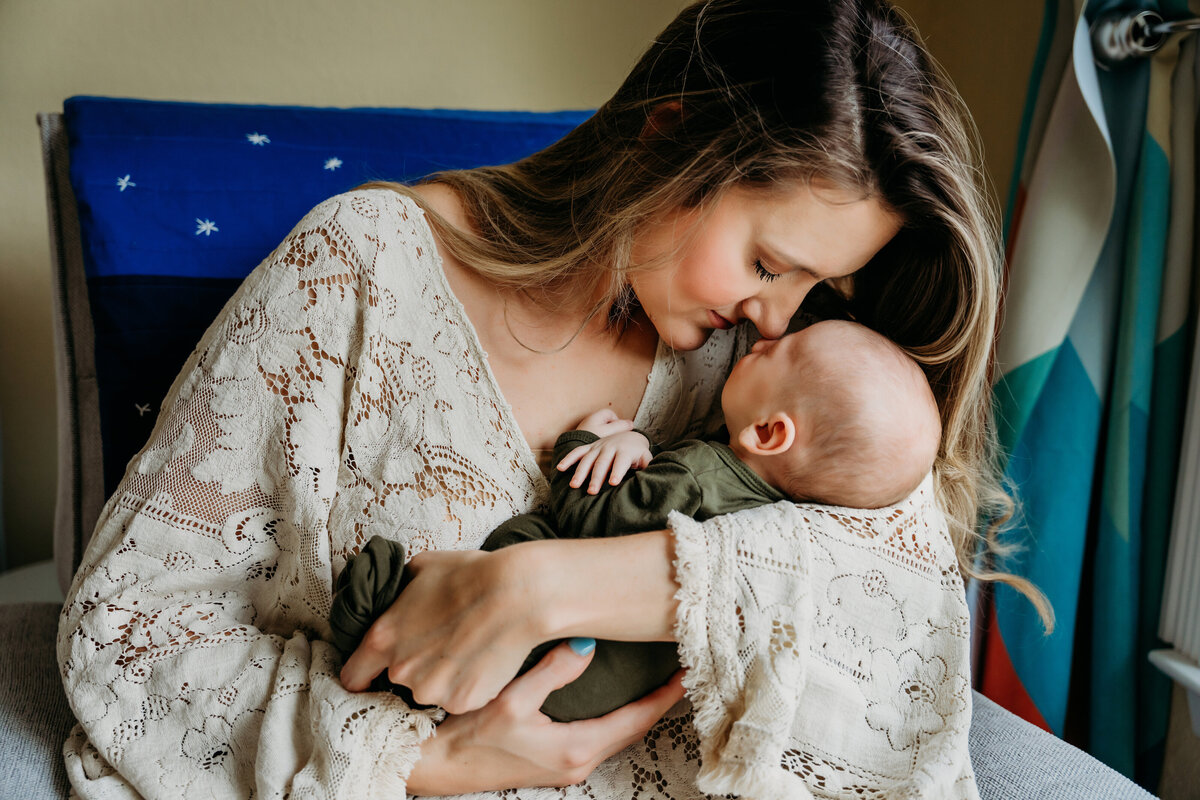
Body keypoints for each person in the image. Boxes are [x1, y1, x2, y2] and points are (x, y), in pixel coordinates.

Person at [57, 1, 1052, 798]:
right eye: (766, 261)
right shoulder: (358, 274)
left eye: (811, 289)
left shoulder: (770, 375)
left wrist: (538, 586)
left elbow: (900, 604)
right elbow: (128, 622)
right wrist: (421, 760)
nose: (779, 317)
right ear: (673, 137)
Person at [329, 319, 943, 723]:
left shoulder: (700, 474)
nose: (762, 339)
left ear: (769, 432)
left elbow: (587, 522)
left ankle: (380, 613)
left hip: (559, 660)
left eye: (776, 353)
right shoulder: (773, 521)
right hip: (609, 687)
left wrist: (588, 446)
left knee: (524, 540)